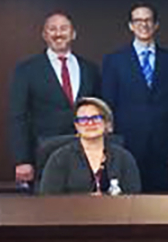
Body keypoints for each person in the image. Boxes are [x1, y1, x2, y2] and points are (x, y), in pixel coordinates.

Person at [101, 2, 168, 192]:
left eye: (148, 20)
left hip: (164, 146)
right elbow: (107, 108)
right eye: (138, 20)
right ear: (130, 26)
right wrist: (109, 147)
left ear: (156, 25)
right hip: (127, 145)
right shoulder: (114, 61)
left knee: (163, 203)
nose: (144, 25)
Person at [9, 11, 102, 188]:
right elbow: (18, 117)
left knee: (86, 208)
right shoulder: (26, 70)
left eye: (64, 28)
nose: (58, 33)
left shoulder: (90, 69)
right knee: (46, 210)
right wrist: (22, 160)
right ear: (44, 35)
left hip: (86, 155)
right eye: (52, 29)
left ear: (73, 34)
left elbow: (98, 111)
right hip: (44, 156)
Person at [39, 97, 142, 195]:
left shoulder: (124, 158)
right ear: (76, 126)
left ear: (107, 123)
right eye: (83, 119)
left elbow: (133, 199)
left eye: (96, 118)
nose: (90, 123)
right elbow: (48, 199)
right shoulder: (59, 158)